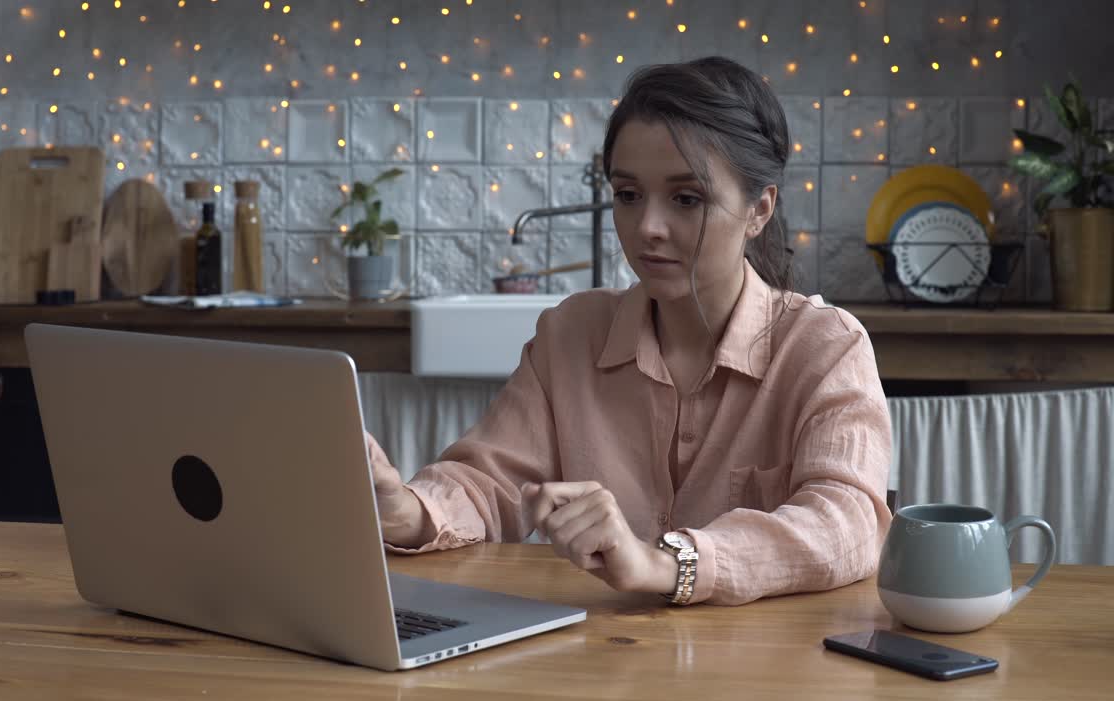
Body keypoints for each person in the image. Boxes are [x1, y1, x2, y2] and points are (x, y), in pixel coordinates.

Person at [367, 57, 892, 606]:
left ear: (759, 209)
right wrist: (405, 511)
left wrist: (670, 563)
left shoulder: (826, 347)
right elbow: (490, 485)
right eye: (627, 195)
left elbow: (848, 523)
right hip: (599, 666)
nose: (648, 228)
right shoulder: (570, 333)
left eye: (686, 199)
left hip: (768, 670)